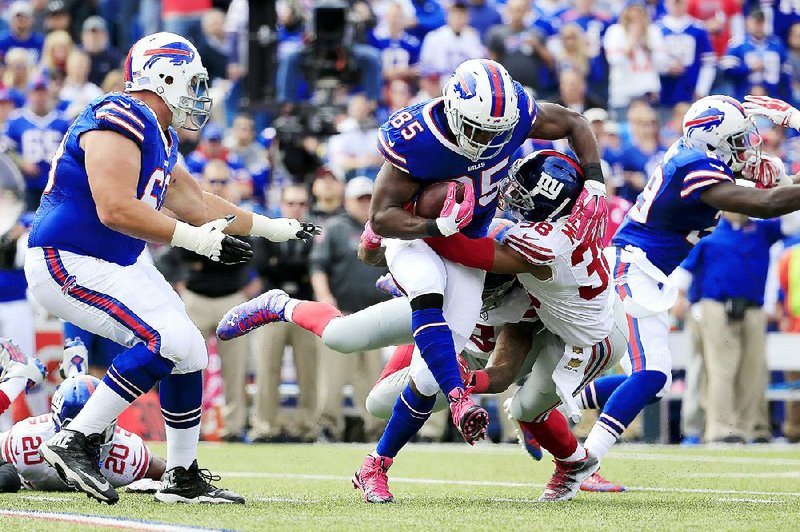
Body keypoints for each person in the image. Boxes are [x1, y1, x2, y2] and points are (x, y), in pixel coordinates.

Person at [220, 58, 608, 503]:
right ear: (458, 113)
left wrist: (594, 181)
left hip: (464, 238)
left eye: (500, 133)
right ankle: (279, 305)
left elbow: (574, 121)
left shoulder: (513, 119)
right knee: (421, 295)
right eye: (481, 132)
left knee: (424, 375)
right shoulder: (418, 136)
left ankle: (376, 465)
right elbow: (382, 218)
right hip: (419, 233)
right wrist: (433, 229)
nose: (492, 142)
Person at [24, 32, 320, 506]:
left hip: (114, 260)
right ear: (163, 76)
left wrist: (272, 227)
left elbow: (199, 203)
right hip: (67, 256)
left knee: (191, 352)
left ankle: (181, 476)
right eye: (194, 82)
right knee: (171, 341)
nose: (200, 95)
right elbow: (114, 209)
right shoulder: (117, 115)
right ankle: (75, 438)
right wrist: (195, 240)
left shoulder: (158, 133)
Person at [575, 94, 800, 480]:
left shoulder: (697, 157)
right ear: (713, 141)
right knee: (652, 375)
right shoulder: (694, 166)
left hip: (641, 270)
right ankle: (582, 461)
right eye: (738, 139)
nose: (747, 147)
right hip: (634, 269)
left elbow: (780, 187)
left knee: (650, 381)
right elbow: (767, 205)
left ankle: (561, 409)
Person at [679, 211, 783, 443]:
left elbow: (791, 223)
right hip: (716, 306)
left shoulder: (762, 229)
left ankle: (753, 427)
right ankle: (722, 428)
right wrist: (682, 298)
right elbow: (687, 268)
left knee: (753, 371)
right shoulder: (710, 229)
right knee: (721, 370)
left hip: (754, 307)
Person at [174, 160, 258, 443]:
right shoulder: (190, 212)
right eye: (214, 181)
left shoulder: (236, 215)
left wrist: (206, 258)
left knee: (236, 369)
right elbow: (177, 253)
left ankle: (233, 428)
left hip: (232, 297)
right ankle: (188, 427)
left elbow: (248, 253)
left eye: (223, 181)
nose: (219, 186)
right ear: (204, 183)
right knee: (188, 365)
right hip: (196, 297)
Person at [311, 177, 390, 441]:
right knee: (332, 376)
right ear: (348, 201)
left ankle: (376, 429)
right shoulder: (335, 228)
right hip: (342, 313)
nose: (365, 203)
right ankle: (328, 428)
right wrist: (325, 298)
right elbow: (318, 266)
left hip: (375, 315)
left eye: (369, 198)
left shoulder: (383, 228)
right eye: (360, 199)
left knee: (372, 378)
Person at [0, 375, 166, 493]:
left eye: (98, 431)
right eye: (77, 431)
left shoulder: (127, 455)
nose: (87, 440)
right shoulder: (24, 441)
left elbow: (171, 471)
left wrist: (166, 479)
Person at [249, 184, 319, 444]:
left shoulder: (314, 234)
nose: (295, 208)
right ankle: (264, 426)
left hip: (304, 309)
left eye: (300, 203)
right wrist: (294, 270)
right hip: (272, 309)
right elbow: (262, 265)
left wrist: (282, 267)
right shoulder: (268, 231)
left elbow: (313, 266)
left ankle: (307, 426)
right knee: (267, 369)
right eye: (290, 203)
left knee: (308, 371)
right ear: (281, 204)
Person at [4, 78, 70, 210]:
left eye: (43, 93)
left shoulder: (63, 121)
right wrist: (21, 162)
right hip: (26, 185)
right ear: (29, 95)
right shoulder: (16, 120)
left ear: (49, 95)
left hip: (55, 186)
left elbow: (71, 150)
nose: (40, 97)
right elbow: (5, 148)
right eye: (36, 93)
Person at [721, 8, 792, 103]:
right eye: (755, 22)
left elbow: (785, 75)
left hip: (772, 97)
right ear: (747, 22)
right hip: (743, 96)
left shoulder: (777, 44)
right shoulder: (737, 44)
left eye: (760, 22)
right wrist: (749, 68)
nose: (758, 26)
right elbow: (727, 72)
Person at [656, 0, 715, 111]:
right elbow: (651, 60)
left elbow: (709, 63)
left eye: (680, 3)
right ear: (666, 4)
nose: (677, 6)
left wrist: (702, 89)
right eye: (674, 3)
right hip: (665, 89)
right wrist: (665, 68)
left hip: (690, 88)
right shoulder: (656, 29)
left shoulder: (699, 29)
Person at [418, 2, 483, 94]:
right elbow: (424, 70)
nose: (458, 19)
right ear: (448, 16)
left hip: (466, 89)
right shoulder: (434, 37)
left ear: (468, 18)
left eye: (461, 16)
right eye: (455, 15)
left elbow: (478, 69)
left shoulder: (472, 38)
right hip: (438, 86)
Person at [80, 16, 122, 88]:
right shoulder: (77, 55)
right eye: (90, 34)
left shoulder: (114, 56)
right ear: (83, 36)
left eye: (98, 34)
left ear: (105, 35)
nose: (93, 38)